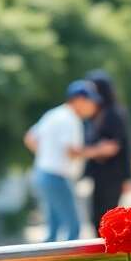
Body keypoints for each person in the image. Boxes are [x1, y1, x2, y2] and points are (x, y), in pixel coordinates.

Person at [24, 80, 100, 243]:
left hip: (42, 172)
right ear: (79, 100)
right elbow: (71, 152)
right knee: (74, 227)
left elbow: (30, 138)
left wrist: (46, 155)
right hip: (57, 176)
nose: (92, 106)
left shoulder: (53, 114)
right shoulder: (70, 119)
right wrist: (99, 151)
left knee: (53, 229)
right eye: (90, 101)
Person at [81, 70, 131, 261]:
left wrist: (85, 152)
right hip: (99, 176)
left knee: (107, 223)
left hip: (112, 176)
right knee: (95, 221)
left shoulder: (114, 114)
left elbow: (116, 147)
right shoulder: (97, 114)